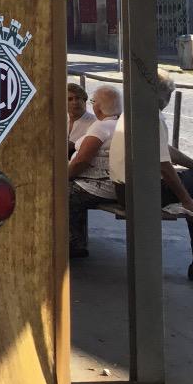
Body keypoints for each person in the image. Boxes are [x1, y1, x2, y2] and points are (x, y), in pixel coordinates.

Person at [107, 72, 193, 281]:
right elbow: (164, 165)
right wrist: (187, 200)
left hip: (124, 190)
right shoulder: (152, 117)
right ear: (164, 95)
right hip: (144, 192)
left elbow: (164, 150)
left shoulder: (130, 113)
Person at [67, 84, 118, 258]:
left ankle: (73, 243)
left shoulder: (100, 126)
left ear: (97, 106)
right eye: (69, 99)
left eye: (82, 99)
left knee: (61, 192)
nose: (75, 103)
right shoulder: (116, 124)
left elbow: (81, 161)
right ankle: (75, 241)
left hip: (100, 184)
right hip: (105, 183)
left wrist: (62, 177)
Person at [65, 81, 95, 158]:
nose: (75, 102)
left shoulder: (94, 123)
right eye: (70, 99)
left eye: (78, 98)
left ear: (84, 100)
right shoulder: (59, 121)